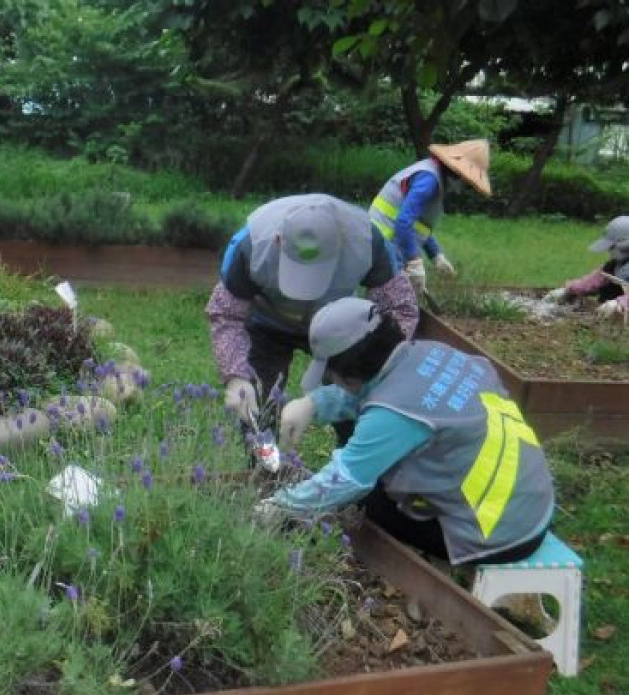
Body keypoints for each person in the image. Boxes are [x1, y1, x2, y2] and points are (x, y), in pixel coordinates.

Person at [261, 297, 554, 566]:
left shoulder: (393, 415)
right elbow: (372, 389)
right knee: (363, 451)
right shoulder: (431, 353)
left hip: (496, 535)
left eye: (331, 375)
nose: (330, 380)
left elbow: (346, 480)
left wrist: (280, 505)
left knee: (362, 500)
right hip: (528, 505)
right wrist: (313, 403)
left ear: (349, 370)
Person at [208, 193, 418, 437]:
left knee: (357, 391)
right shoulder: (251, 245)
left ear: (341, 244)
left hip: (337, 328)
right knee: (258, 405)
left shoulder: (368, 242)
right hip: (267, 324)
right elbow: (226, 314)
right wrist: (235, 375)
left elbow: (399, 308)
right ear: (278, 241)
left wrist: (374, 373)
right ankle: (264, 467)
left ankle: (352, 460)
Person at [369, 139, 492, 296]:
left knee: (394, 299)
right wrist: (414, 261)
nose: (464, 188)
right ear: (457, 174)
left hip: (388, 242)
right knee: (388, 299)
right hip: (382, 242)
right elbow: (404, 221)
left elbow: (419, 225)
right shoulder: (429, 180)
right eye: (467, 184)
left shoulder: (434, 177)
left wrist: (436, 255)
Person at [543, 215, 629, 307]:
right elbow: (592, 281)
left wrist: (619, 304)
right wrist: (568, 290)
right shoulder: (613, 266)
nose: (610, 251)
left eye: (612, 247)